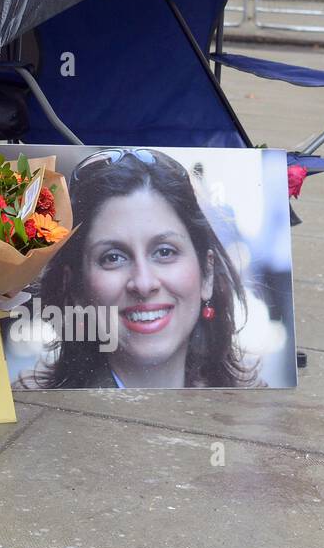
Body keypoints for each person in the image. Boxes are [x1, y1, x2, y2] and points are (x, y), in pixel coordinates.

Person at [17, 148, 258, 389]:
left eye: (165, 252)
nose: (143, 283)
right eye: (113, 257)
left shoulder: (253, 407)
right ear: (76, 287)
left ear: (206, 274)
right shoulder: (29, 407)